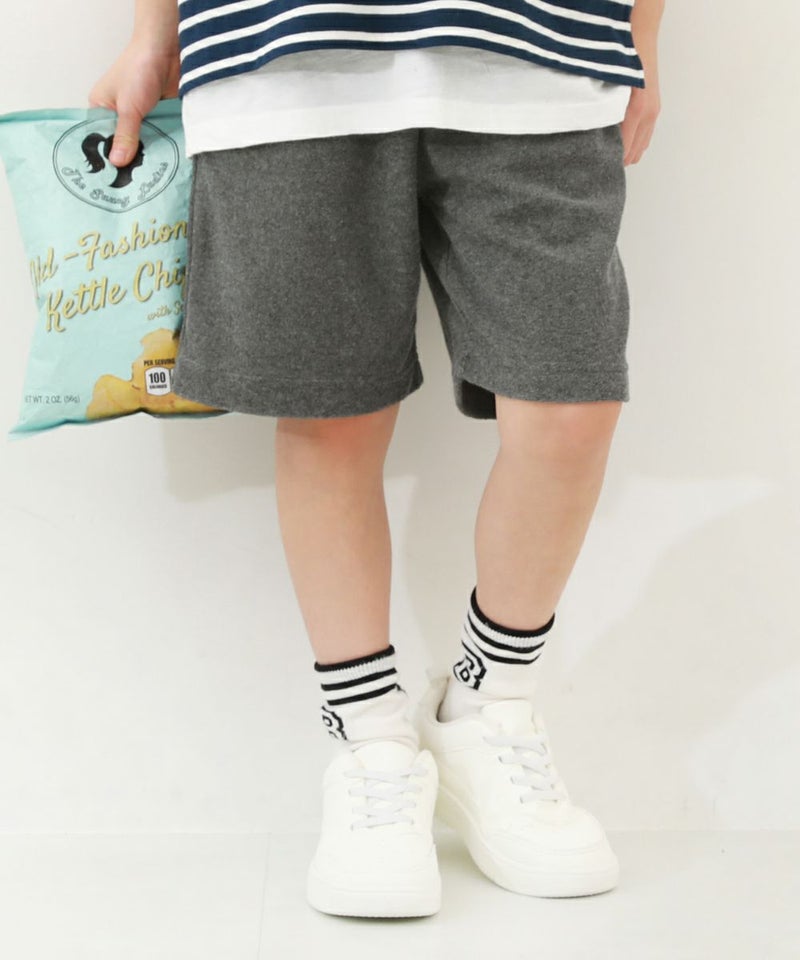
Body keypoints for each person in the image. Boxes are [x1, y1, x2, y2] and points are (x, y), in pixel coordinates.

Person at [90, 0, 664, 920]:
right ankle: (371, 744)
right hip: (284, 53)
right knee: (331, 415)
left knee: (570, 409)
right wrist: (151, 35)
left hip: (544, 53)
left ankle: (486, 707)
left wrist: (646, 34)